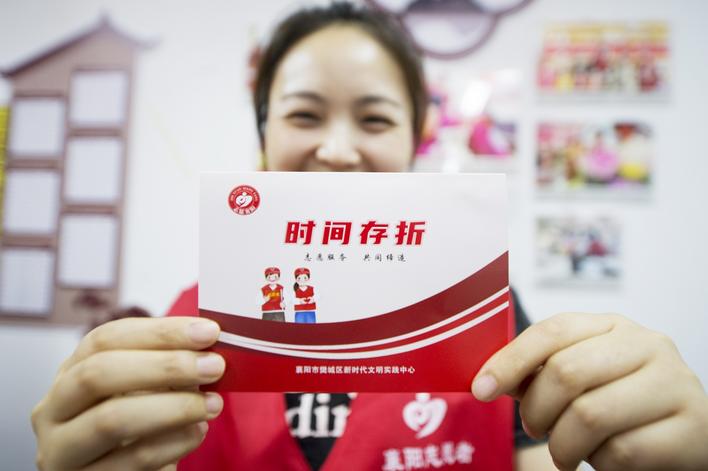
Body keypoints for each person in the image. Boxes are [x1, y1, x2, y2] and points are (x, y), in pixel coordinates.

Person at [31, 3, 708, 471]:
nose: (337, 149)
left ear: (415, 141)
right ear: (263, 135)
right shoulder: (193, 323)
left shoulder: (491, 317)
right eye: (303, 114)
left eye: (375, 119)